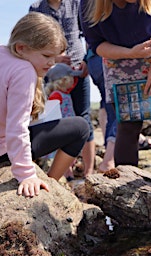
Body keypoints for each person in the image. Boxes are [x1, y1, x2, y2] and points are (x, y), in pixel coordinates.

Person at [0, 12, 89, 198]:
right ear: (21, 47)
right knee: (80, 127)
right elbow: (16, 128)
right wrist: (26, 175)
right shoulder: (23, 70)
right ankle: (51, 183)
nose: (51, 63)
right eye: (47, 56)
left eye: (55, 58)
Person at [80, 0, 151, 188]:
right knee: (128, 125)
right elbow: (96, 44)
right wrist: (130, 53)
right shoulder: (89, 3)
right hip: (119, 57)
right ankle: (127, 189)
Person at [30, 0, 96, 178]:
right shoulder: (36, 8)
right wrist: (56, 58)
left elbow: (90, 33)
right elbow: (33, 43)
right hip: (51, 74)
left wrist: (88, 59)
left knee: (84, 117)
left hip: (78, 70)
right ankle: (65, 171)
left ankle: (89, 171)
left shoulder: (76, 3)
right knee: (55, 120)